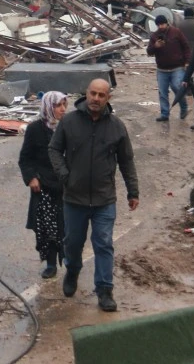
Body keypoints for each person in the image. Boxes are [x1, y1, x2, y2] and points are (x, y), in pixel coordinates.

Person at [48, 79, 139, 312]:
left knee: (104, 244)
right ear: (86, 94)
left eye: (101, 95)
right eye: (93, 94)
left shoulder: (117, 126)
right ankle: (73, 271)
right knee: (73, 242)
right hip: (74, 198)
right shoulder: (69, 122)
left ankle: (105, 289)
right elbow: (54, 149)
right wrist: (64, 174)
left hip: (104, 199)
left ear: (108, 98)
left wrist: (133, 191)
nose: (96, 99)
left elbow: (126, 161)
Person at [18, 91, 68, 279]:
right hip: (45, 186)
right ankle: (51, 263)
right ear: (48, 107)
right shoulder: (35, 129)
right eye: (58, 105)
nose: (62, 109)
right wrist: (31, 178)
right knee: (47, 227)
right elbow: (25, 158)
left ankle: (71, 263)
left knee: (68, 226)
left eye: (64, 104)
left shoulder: (68, 127)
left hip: (66, 185)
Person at [146, 14, 192, 122]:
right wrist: (155, 46)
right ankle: (165, 114)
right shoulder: (154, 36)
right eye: (159, 25)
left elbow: (186, 47)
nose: (161, 26)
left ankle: (184, 107)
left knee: (177, 86)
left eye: (162, 24)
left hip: (177, 67)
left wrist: (187, 62)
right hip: (162, 69)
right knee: (162, 92)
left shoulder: (176, 32)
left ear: (167, 23)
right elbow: (149, 52)